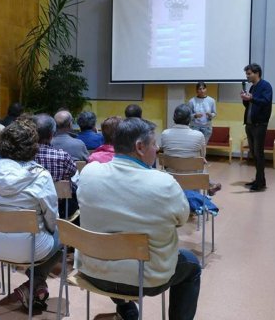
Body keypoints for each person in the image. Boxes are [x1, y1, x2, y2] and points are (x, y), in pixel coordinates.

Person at [77, 118, 201, 320]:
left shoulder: (89, 173)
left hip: (93, 272)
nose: (158, 148)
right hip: (146, 279)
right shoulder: (164, 183)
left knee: (112, 253)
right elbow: (181, 219)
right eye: (154, 143)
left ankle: (125, 309)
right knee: (192, 264)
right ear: (140, 147)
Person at [0, 119, 60, 311]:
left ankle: (34, 285)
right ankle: (34, 283)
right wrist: (52, 231)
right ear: (33, 146)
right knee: (63, 238)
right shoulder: (40, 175)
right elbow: (51, 219)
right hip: (30, 248)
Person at [161, 104, 221, 196]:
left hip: (171, 177)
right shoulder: (198, 135)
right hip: (193, 179)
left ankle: (210, 185)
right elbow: (202, 156)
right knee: (200, 162)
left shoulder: (165, 134)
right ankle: (208, 185)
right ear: (190, 119)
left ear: (174, 118)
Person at [33, 114, 78, 219]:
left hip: (28, 206)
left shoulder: (23, 155)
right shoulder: (63, 156)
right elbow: (73, 172)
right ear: (52, 134)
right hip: (60, 208)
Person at [241, 63, 273, 192]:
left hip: (259, 125)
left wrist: (252, 98)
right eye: (247, 74)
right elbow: (249, 105)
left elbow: (265, 102)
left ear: (256, 73)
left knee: (259, 154)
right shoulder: (253, 87)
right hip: (249, 124)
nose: (247, 76)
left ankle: (259, 183)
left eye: (249, 74)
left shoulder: (266, 86)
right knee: (254, 153)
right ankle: (260, 179)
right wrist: (245, 98)